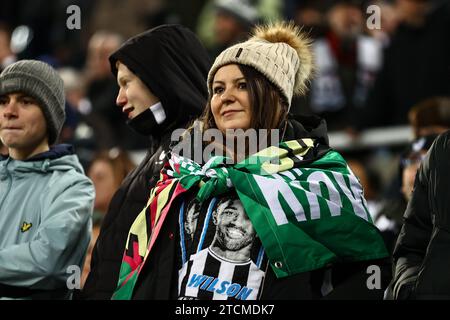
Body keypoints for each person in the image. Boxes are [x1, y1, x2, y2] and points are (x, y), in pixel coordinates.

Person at [112, 21, 390, 300]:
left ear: (273, 95)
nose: (226, 97)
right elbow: (153, 271)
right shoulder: (184, 171)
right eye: (218, 90)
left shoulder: (317, 174)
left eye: (242, 86)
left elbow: (365, 273)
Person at [80, 24, 211, 300]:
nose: (119, 99)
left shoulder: (201, 155)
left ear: (161, 78)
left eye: (126, 83)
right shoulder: (159, 152)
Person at [0, 60, 94, 299]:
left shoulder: (73, 187)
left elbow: (47, 260)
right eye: (3, 101)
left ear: (50, 114)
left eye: (25, 101)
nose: (9, 111)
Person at [386, 130, 450, 299]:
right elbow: (411, 248)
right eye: (412, 159)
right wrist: (408, 286)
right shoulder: (384, 231)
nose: (417, 166)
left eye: (423, 158)